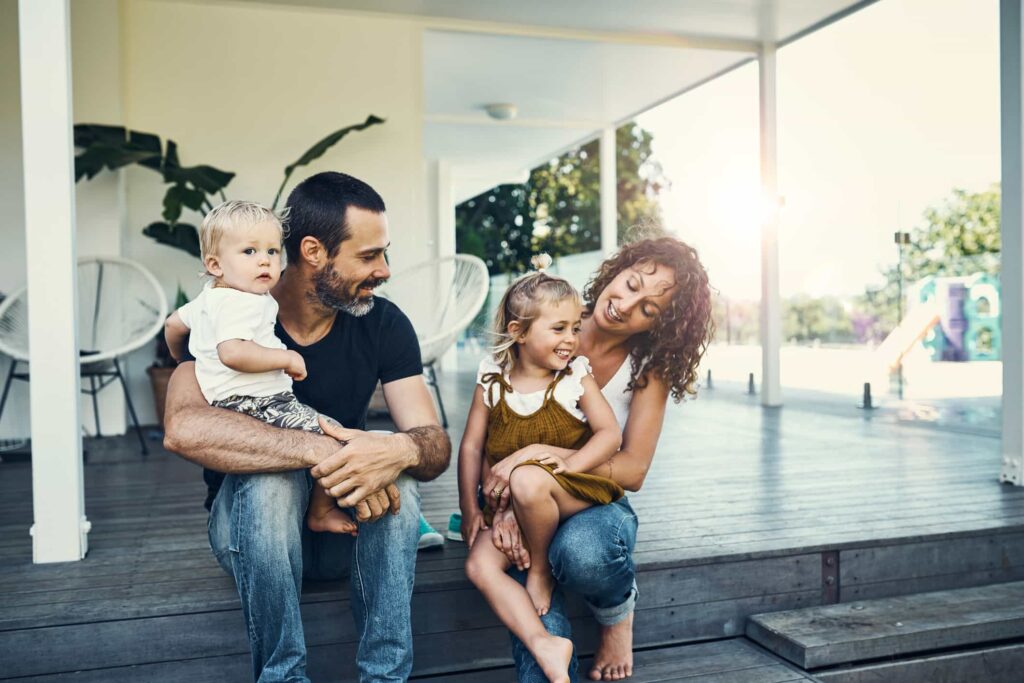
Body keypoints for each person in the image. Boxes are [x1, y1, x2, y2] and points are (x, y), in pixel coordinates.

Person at [162, 172, 451, 683]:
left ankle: (385, 677)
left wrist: (399, 451)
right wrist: (315, 449)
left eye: (385, 253)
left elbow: (433, 444)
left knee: (395, 468)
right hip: (250, 537)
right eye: (369, 256)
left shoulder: (383, 324)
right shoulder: (226, 311)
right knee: (272, 479)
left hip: (347, 529)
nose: (384, 270)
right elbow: (184, 428)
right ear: (315, 251)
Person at [481, 229, 714, 682]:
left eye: (649, 308)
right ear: (617, 270)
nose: (626, 305)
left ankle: (616, 610)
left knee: (583, 552)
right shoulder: (546, 319)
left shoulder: (647, 370)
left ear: (658, 324)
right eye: (631, 284)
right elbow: (492, 429)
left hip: (595, 501)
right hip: (521, 493)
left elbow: (633, 469)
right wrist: (505, 505)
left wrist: (542, 461)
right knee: (521, 556)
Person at [459, 259, 623, 683]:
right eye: (559, 328)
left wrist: (565, 466)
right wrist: (472, 509)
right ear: (518, 332)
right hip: (518, 499)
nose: (571, 338)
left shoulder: (574, 377)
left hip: (572, 491)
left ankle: (540, 571)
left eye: (575, 326)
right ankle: (543, 642)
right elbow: (472, 446)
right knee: (479, 566)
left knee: (529, 479)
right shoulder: (492, 378)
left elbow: (609, 436)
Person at [165, 200, 356, 536]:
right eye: (250, 251)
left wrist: (183, 358)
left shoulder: (209, 297)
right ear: (215, 264)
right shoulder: (244, 302)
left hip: (229, 406)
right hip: (260, 403)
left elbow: (172, 326)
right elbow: (233, 353)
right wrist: (287, 358)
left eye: (272, 250)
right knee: (336, 436)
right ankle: (321, 512)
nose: (265, 260)